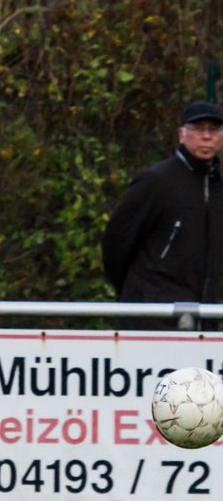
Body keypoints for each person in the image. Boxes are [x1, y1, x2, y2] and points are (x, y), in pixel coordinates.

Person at [102, 101, 223, 331]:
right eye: (198, 128)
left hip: (202, 319)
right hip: (152, 318)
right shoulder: (156, 181)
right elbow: (116, 241)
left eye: (214, 129)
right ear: (182, 134)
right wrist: (138, 295)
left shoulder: (218, 188)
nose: (206, 136)